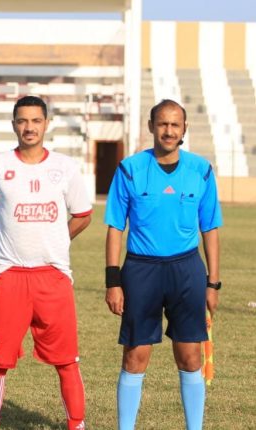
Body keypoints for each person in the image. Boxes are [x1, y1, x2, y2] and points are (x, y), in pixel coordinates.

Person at [0, 95, 92, 430]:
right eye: (22, 121)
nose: (29, 127)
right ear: (13, 125)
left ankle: (76, 424)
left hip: (53, 276)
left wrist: (60, 240)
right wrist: (0, 243)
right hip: (9, 276)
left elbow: (83, 215)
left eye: (36, 121)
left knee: (67, 361)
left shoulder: (64, 167)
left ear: (46, 124)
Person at [104, 99, 222, 430]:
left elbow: (210, 228)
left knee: (190, 356)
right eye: (162, 124)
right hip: (141, 270)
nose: (168, 131)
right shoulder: (129, 169)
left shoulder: (201, 170)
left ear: (184, 129)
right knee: (135, 356)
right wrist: (113, 281)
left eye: (175, 125)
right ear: (151, 127)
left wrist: (213, 283)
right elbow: (115, 227)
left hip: (186, 270)